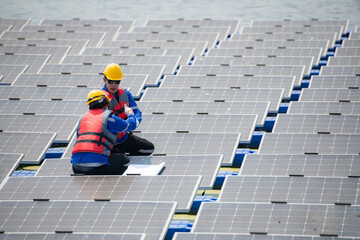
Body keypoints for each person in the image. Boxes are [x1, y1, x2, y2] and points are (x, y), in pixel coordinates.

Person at [71, 90, 137, 175]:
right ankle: (107, 184)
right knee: (123, 160)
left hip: (76, 166)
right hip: (97, 166)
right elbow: (131, 125)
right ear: (106, 104)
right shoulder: (108, 118)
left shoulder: (82, 119)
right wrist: (130, 113)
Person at [101, 63, 155, 156]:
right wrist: (130, 122)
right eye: (110, 81)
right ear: (104, 80)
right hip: (111, 143)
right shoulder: (101, 99)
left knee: (149, 148)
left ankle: (124, 157)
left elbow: (136, 112)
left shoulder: (125, 93)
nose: (114, 85)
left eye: (117, 82)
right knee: (119, 159)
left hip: (125, 137)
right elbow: (111, 123)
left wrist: (135, 122)